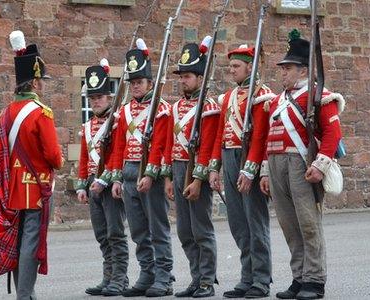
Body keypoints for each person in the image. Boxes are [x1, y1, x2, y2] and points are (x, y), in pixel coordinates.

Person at [259, 29, 345, 300]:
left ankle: (315, 279)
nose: (283, 72)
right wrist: (264, 171)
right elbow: (267, 137)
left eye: (289, 68)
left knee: (308, 224)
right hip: (276, 165)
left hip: (301, 164)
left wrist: (320, 165)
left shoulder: (319, 96)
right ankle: (299, 277)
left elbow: (333, 133)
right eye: (283, 68)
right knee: (289, 225)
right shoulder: (277, 100)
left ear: (304, 70)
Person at [0, 30, 64, 300]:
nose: (43, 84)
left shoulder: (7, 112)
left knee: (20, 241)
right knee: (31, 242)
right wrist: (60, 160)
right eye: (41, 80)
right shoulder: (41, 113)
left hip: (12, 189)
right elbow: (54, 156)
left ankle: (25, 293)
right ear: (35, 82)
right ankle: (26, 295)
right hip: (37, 187)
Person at [102, 38, 175, 297]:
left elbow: (161, 146)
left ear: (150, 83)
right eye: (132, 83)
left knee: (158, 228)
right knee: (138, 230)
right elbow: (118, 148)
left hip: (150, 175)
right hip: (129, 172)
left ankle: (164, 276)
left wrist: (150, 173)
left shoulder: (162, 109)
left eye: (139, 83)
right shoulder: (124, 112)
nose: (135, 87)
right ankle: (147, 273)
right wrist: (118, 178)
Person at [208, 44, 277, 298]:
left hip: (250, 158)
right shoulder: (227, 98)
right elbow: (219, 135)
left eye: (236, 66)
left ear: (251, 66)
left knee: (255, 222)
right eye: (230, 67)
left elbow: (260, 136)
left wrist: (250, 170)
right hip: (229, 156)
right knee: (238, 223)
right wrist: (213, 167)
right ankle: (246, 276)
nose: (232, 71)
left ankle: (260, 279)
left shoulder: (262, 95)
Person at [165, 38, 221, 298]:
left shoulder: (208, 107)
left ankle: (207, 280)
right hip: (177, 169)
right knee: (185, 231)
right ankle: (196, 277)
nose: (183, 80)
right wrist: (167, 178)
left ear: (200, 78)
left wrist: (198, 180)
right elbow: (168, 143)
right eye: (181, 76)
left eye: (187, 76)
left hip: (195, 171)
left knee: (201, 230)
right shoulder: (176, 108)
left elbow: (209, 146)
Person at [76, 59, 130, 296]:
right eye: (92, 98)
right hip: (92, 185)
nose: (96, 101)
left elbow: (119, 154)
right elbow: (83, 159)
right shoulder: (88, 126)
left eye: (99, 97)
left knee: (115, 233)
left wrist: (105, 179)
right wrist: (82, 185)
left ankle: (120, 278)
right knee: (101, 235)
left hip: (108, 185)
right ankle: (108, 276)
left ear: (109, 98)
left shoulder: (117, 123)